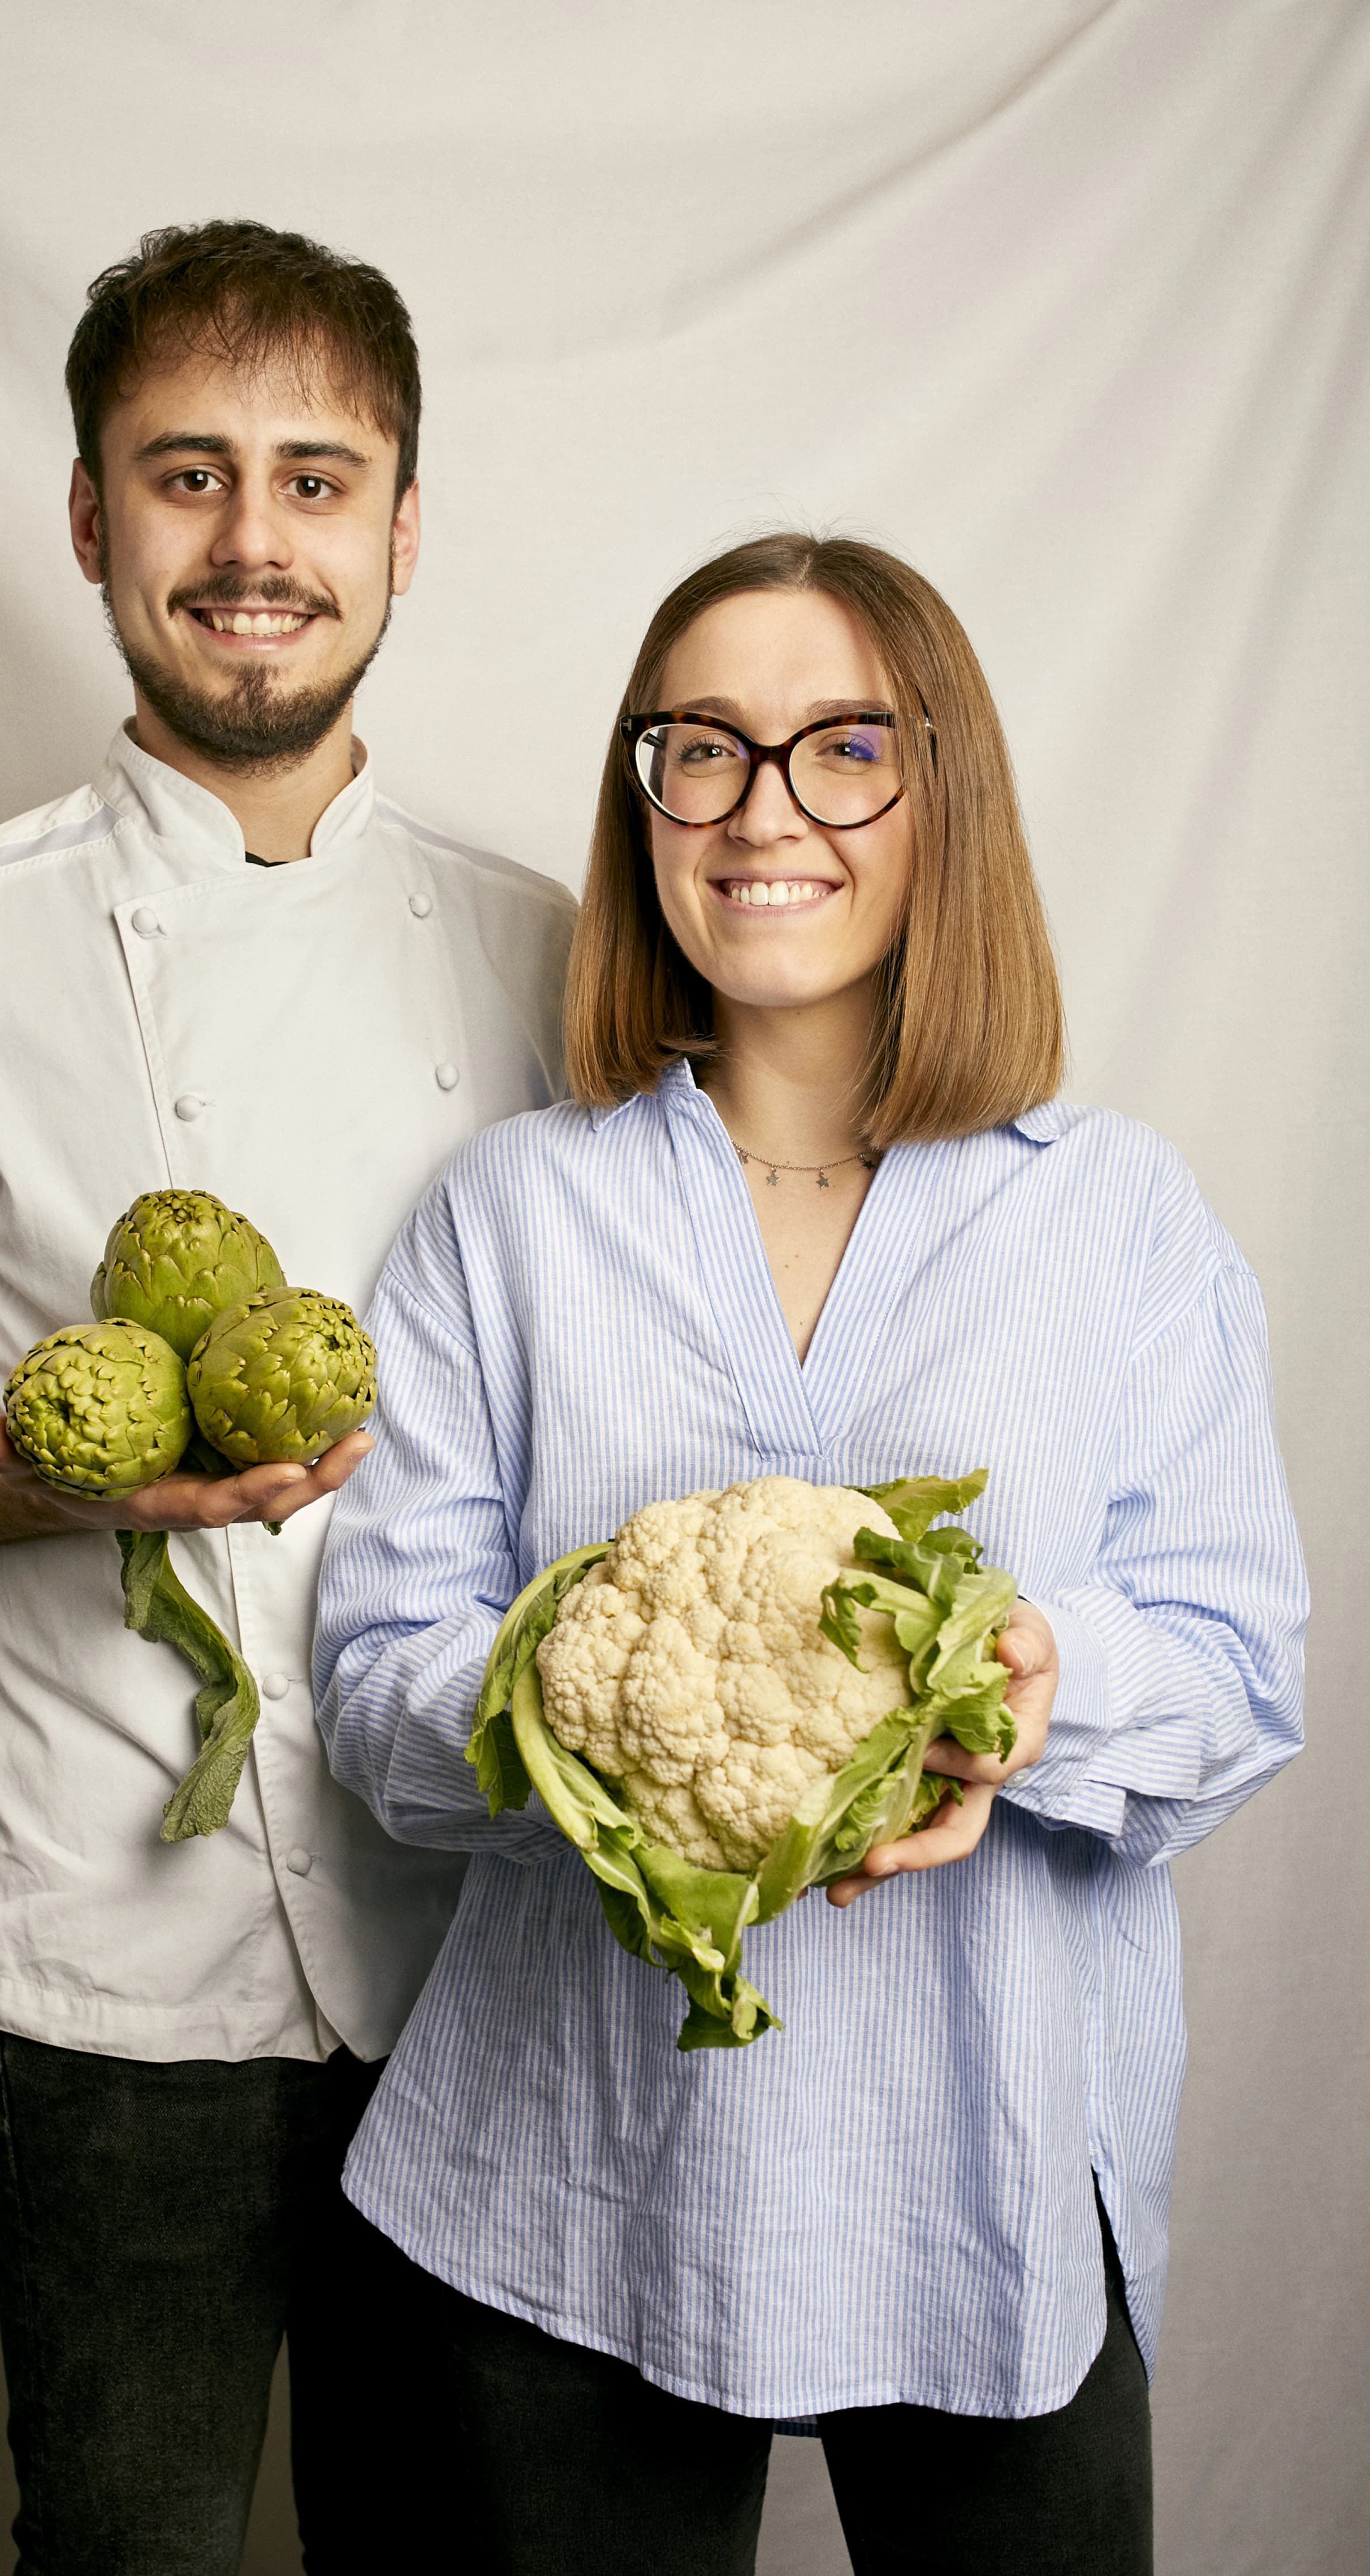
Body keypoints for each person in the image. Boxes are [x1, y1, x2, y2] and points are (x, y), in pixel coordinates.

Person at [0, 219, 574, 2575]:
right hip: (107, 1973)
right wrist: (27, 1477)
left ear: (404, 530)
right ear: (90, 519)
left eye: (316, 478)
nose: (252, 540)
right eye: (189, 475)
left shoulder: (554, 954)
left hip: (491, 1956)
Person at [313, 532, 1307, 2575]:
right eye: (703, 749)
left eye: (843, 748)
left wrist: (1041, 1686)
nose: (764, 812)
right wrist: (582, 1710)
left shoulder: (1117, 1219)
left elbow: (1239, 1672)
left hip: (991, 2171)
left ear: (946, 796)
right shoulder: (512, 1217)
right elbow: (378, 1689)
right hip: (567, 2174)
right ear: (646, 804)